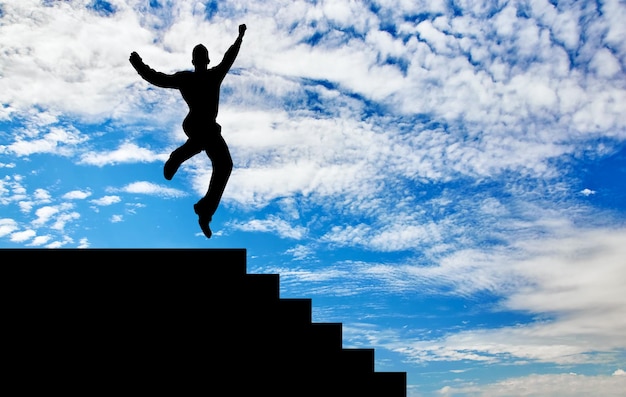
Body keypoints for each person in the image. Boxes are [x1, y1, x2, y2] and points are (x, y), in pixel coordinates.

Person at [129, 24, 247, 238]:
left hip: (206, 129)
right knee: (210, 143)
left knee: (225, 165)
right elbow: (159, 78)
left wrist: (240, 37)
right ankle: (178, 157)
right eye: (200, 60)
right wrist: (139, 65)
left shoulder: (207, 76)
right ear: (199, 61)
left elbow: (229, 58)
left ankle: (205, 210)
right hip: (197, 125)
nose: (201, 63)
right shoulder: (195, 78)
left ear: (199, 62)